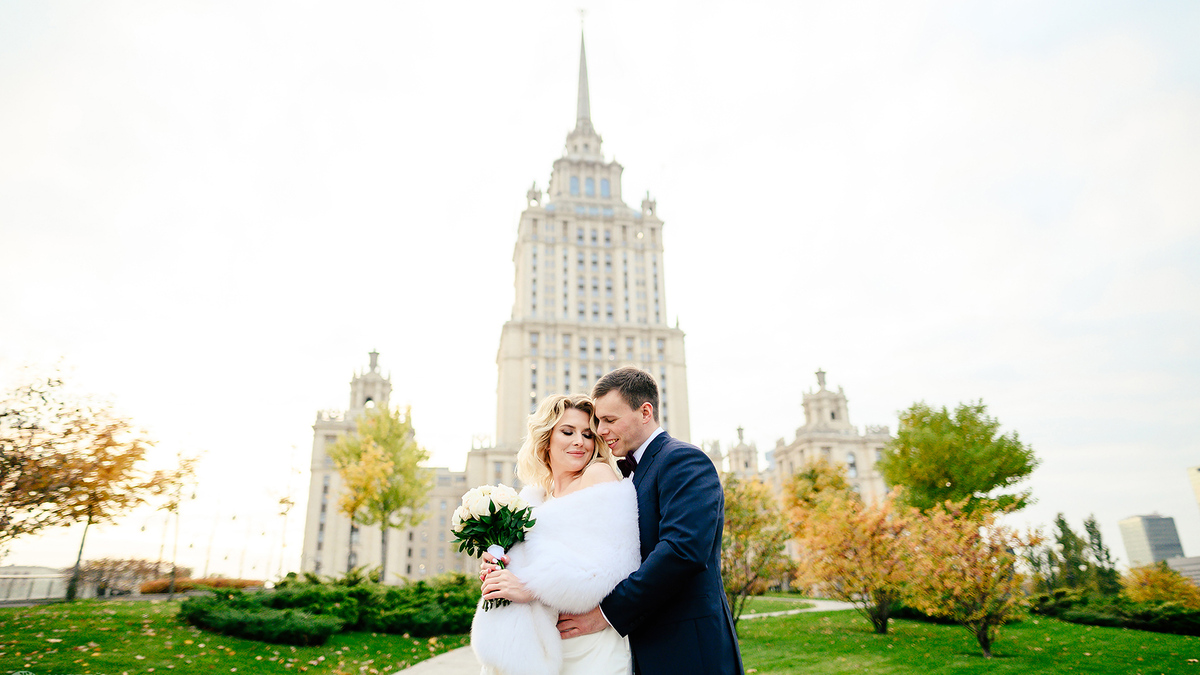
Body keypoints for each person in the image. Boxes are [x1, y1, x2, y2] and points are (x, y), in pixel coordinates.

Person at [555, 366, 744, 675]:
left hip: (687, 651)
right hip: (640, 650)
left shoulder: (682, 460)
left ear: (645, 412)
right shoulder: (628, 474)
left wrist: (606, 613)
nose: (600, 430)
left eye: (610, 420)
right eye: (598, 421)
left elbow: (682, 551)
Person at [473, 394, 640, 675]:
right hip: (539, 641)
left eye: (588, 434)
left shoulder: (597, 475)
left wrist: (530, 587)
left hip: (588, 644)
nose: (580, 442)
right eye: (568, 432)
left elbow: (618, 565)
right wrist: (499, 567)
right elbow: (529, 563)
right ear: (546, 439)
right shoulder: (533, 498)